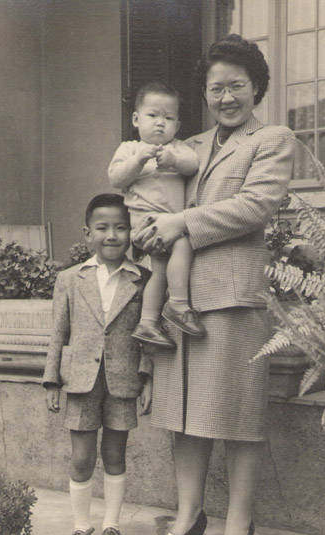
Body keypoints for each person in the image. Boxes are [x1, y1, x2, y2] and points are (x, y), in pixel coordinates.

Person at [132, 35, 295, 535]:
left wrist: (182, 224)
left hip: (233, 296)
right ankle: (186, 519)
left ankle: (239, 525)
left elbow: (256, 205)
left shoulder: (271, 139)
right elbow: (151, 194)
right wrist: (147, 229)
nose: (226, 97)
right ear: (204, 93)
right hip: (181, 299)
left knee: (238, 419)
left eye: (237, 86)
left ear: (257, 88)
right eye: (215, 87)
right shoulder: (190, 144)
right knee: (184, 415)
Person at [42, 193, 153, 535]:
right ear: (87, 234)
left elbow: (150, 335)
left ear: (131, 233)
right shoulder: (70, 279)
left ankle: (111, 526)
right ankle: (80, 527)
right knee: (81, 458)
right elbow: (59, 333)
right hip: (80, 381)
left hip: (122, 381)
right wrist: (51, 380)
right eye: (102, 228)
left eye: (121, 228)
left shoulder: (143, 279)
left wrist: (147, 379)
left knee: (115, 454)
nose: (112, 235)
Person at [108, 82, 205, 350]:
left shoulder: (178, 148)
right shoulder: (129, 149)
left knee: (159, 269)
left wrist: (173, 160)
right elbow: (116, 178)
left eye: (169, 117)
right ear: (136, 119)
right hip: (145, 224)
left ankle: (148, 322)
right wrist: (139, 160)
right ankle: (177, 305)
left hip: (168, 225)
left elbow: (193, 165)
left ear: (177, 124)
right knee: (185, 243)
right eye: (153, 116)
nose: (160, 123)